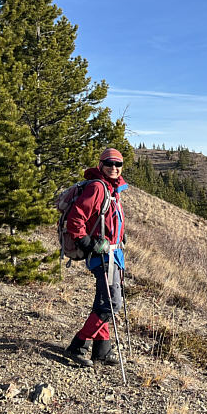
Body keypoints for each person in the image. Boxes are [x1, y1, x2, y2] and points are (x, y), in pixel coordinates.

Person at [64, 147, 128, 367]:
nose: (114, 167)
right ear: (101, 165)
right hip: (102, 256)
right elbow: (75, 219)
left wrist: (120, 235)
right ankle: (78, 346)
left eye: (118, 164)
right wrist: (88, 243)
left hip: (113, 254)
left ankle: (102, 349)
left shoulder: (113, 189)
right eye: (109, 163)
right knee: (111, 304)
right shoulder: (98, 187)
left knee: (104, 300)